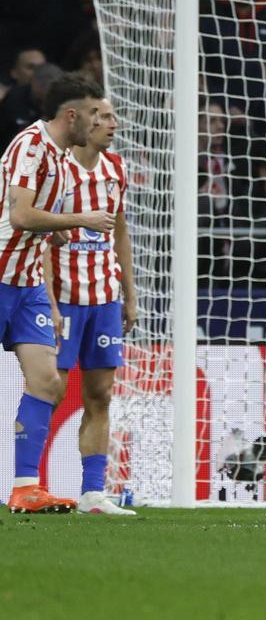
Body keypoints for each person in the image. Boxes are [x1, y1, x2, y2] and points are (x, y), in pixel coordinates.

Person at [3, 74, 111, 514]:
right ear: (72, 115)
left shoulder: (65, 161)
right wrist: (78, 219)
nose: (98, 120)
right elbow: (22, 215)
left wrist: (59, 235)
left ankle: (26, 487)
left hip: (27, 286)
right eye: (92, 113)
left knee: (47, 382)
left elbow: (39, 225)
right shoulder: (30, 146)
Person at [44, 98, 136, 515]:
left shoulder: (116, 170)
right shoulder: (55, 168)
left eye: (114, 117)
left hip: (104, 299)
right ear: (82, 119)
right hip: (62, 297)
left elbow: (120, 235)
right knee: (48, 391)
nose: (112, 124)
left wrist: (129, 295)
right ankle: (28, 482)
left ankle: (93, 494)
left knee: (100, 396)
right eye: (104, 117)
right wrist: (46, 298)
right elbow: (38, 237)